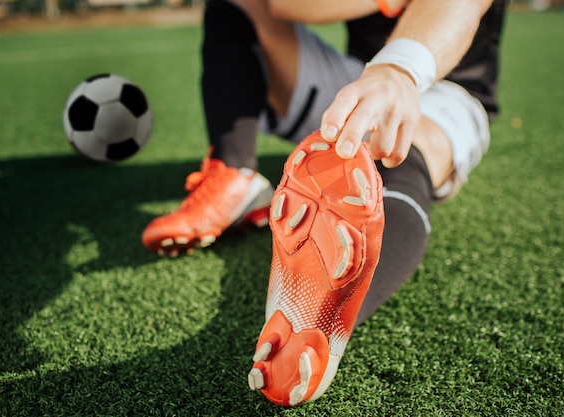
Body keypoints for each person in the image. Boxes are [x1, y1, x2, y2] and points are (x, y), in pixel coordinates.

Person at [142, 0, 507, 406]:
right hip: (359, 78)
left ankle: (323, 319)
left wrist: (398, 70)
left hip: (446, 86)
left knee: (403, 155)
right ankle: (234, 175)